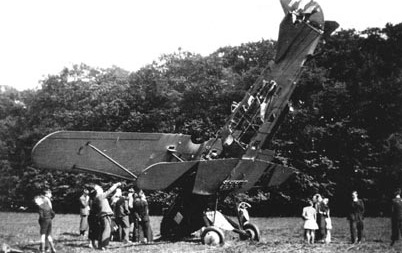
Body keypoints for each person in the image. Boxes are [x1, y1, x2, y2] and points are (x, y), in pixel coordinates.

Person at [92, 182, 121, 250]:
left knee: (102, 230)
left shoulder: (97, 198)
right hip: (105, 215)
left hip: (102, 215)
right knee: (106, 230)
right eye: (100, 189)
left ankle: (100, 245)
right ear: (98, 191)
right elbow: (109, 191)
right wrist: (116, 185)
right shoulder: (101, 196)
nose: (101, 189)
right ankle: (104, 245)